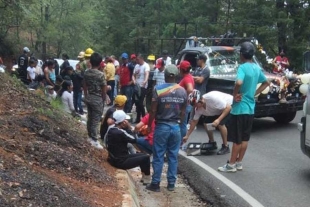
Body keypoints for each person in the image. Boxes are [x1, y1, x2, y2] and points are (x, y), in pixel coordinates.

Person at [218, 42, 269, 172]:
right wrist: (254, 93)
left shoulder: (242, 68)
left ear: (241, 54)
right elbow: (266, 82)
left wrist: (235, 94)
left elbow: (239, 82)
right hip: (250, 108)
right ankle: (239, 162)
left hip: (239, 108)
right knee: (245, 137)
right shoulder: (256, 68)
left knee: (237, 139)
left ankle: (231, 165)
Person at [146, 64, 187, 192]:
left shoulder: (158, 89)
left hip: (162, 126)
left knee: (158, 155)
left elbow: (153, 110)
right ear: (176, 75)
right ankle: (171, 184)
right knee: (173, 156)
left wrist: (149, 126)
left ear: (165, 75)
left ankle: (156, 183)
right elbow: (183, 112)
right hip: (175, 127)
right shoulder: (182, 91)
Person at [106, 110, 151, 185]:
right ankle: (147, 178)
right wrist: (129, 127)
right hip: (120, 161)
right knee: (146, 157)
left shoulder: (111, 129)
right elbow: (134, 139)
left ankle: (144, 177)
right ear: (123, 121)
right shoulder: (120, 132)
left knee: (143, 155)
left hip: (113, 158)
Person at [183, 90, 232, 155]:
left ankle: (225, 146)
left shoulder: (212, 98)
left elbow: (228, 107)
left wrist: (218, 120)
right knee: (206, 123)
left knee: (220, 124)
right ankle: (212, 142)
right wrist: (187, 136)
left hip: (230, 106)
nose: (195, 107)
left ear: (201, 101)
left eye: (195, 104)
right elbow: (194, 122)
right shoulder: (198, 109)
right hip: (218, 109)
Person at [83, 52, 109, 149]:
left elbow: (84, 85)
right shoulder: (101, 75)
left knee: (90, 117)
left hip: (89, 96)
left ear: (91, 61)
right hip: (97, 98)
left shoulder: (86, 72)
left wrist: (86, 96)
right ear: (100, 62)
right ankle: (94, 139)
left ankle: (90, 136)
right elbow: (103, 88)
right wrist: (104, 98)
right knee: (96, 119)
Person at [178, 60, 195, 139]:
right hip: (187, 104)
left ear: (182, 70)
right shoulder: (189, 76)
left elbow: (190, 89)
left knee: (182, 124)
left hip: (184, 105)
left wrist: (184, 97)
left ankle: (181, 142)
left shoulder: (186, 78)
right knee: (182, 123)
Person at [132, 54, 150, 123]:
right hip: (137, 86)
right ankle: (138, 118)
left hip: (142, 87)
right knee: (136, 103)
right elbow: (133, 75)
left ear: (142, 59)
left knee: (140, 102)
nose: (137, 61)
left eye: (138, 59)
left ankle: (143, 117)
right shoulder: (136, 66)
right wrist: (133, 80)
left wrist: (145, 81)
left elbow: (147, 74)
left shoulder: (146, 65)